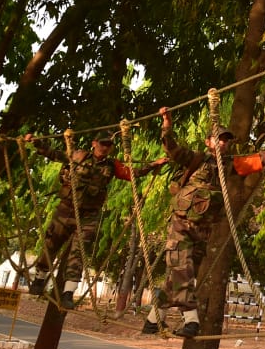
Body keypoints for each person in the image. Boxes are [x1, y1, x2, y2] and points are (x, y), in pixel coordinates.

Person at [143, 108, 265, 337]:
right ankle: (191, 321)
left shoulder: (229, 166)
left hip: (202, 230)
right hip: (182, 225)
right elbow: (171, 147)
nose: (223, 144)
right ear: (208, 141)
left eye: (226, 141)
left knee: (176, 279)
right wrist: (166, 123)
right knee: (183, 274)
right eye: (218, 139)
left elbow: (257, 159)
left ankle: (152, 321)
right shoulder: (196, 158)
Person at [26, 131, 167, 309]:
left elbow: (132, 173)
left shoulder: (111, 165)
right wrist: (37, 143)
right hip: (66, 209)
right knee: (51, 244)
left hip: (89, 216)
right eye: (102, 143)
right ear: (94, 143)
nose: (105, 148)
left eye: (108, 145)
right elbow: (55, 154)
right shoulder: (78, 155)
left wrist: (154, 164)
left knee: (79, 252)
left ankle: (68, 293)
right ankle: (39, 280)